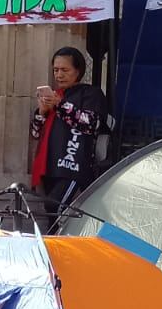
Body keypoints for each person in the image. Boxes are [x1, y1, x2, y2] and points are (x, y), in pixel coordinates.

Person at [30, 46, 108, 223]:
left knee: (54, 207)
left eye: (65, 70)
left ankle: (55, 245)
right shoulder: (54, 96)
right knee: (51, 213)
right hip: (50, 166)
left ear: (78, 71)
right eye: (56, 70)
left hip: (74, 166)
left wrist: (60, 105)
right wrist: (41, 112)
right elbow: (35, 133)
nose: (59, 75)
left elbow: (90, 124)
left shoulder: (90, 93)